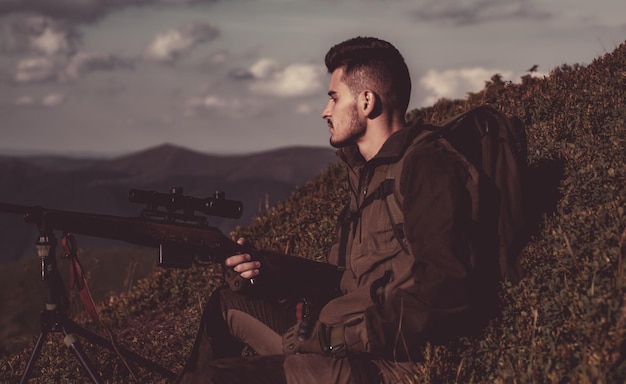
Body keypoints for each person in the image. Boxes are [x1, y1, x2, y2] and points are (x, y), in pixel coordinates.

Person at [176, 36, 498, 384]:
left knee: (212, 381)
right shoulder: (368, 175)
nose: (325, 111)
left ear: (366, 100)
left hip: (388, 364)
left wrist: (336, 340)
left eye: (333, 97)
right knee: (226, 303)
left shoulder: (427, 166)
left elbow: (446, 287)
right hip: (337, 338)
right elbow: (345, 281)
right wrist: (265, 269)